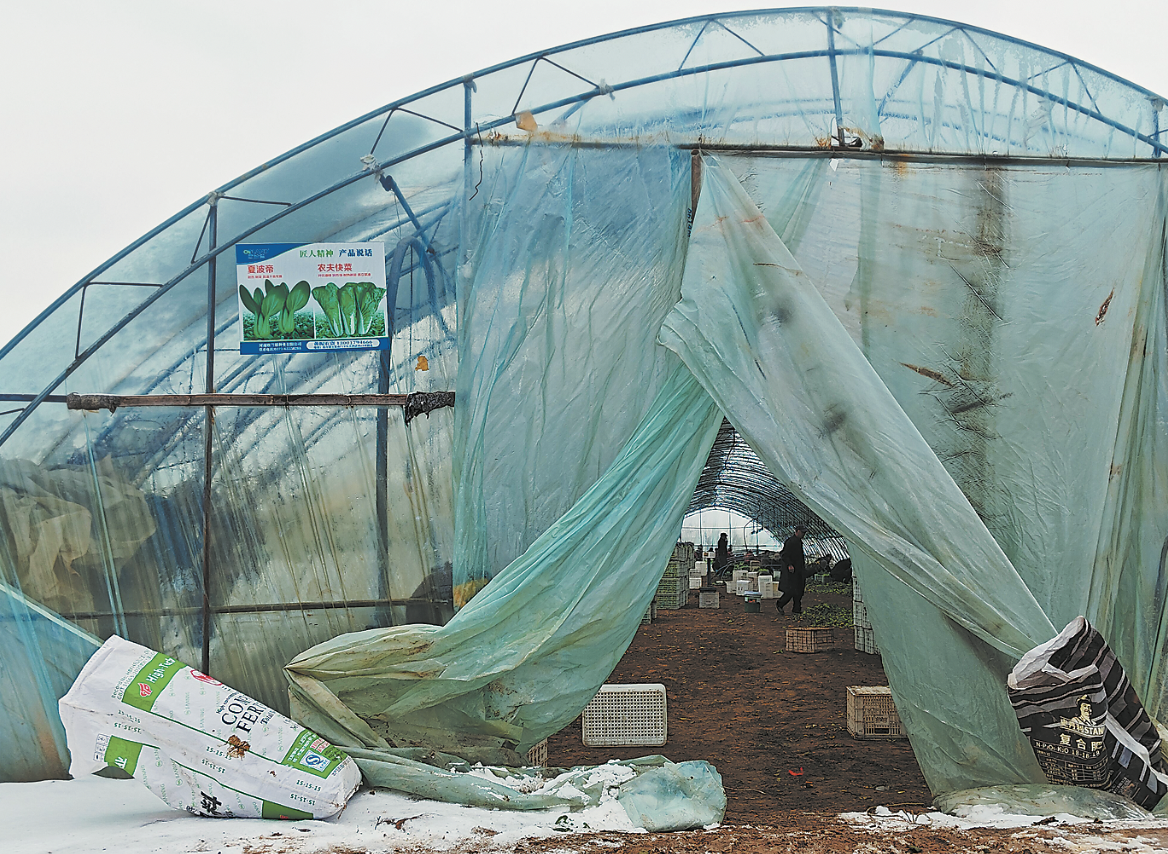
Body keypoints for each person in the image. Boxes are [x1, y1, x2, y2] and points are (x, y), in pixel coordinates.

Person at [776, 525, 807, 615]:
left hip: (798, 570)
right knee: (791, 590)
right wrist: (789, 564)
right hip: (791, 571)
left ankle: (797, 609)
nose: (803, 534)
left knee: (799, 590)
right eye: (802, 532)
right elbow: (784, 554)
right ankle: (780, 603)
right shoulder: (790, 542)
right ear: (797, 531)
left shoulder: (799, 542)